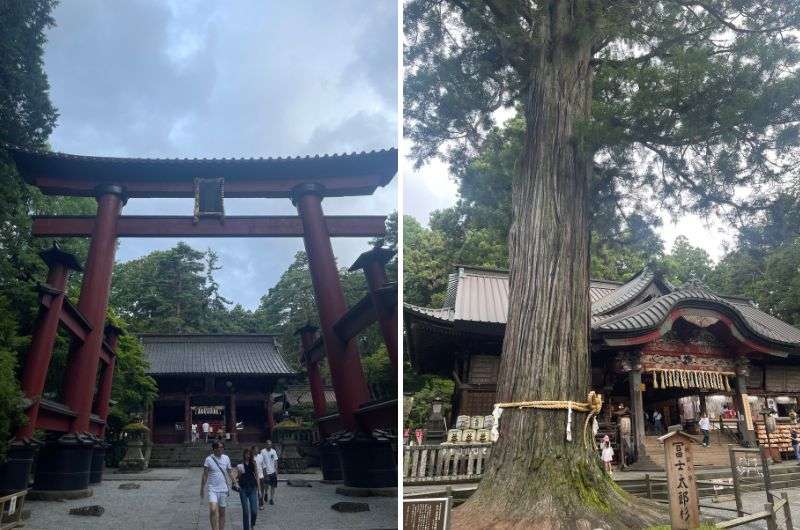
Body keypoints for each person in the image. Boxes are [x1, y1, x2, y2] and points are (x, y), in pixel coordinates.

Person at [201, 441, 235, 530]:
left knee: (222, 512)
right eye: (219, 447)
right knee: (213, 509)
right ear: (214, 449)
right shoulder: (208, 459)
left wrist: (235, 482)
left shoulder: (226, 458)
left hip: (223, 489)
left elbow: (230, 471)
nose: (221, 449)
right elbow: (205, 474)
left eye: (222, 447)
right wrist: (202, 488)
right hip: (212, 489)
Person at [234, 448, 261, 530]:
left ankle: (252, 524)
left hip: (252, 488)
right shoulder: (240, 464)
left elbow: (257, 476)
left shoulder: (253, 463)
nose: (248, 456)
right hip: (243, 489)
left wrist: (259, 490)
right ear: (244, 455)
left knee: (254, 511)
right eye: (246, 454)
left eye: (249, 454)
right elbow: (237, 477)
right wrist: (239, 473)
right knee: (245, 511)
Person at [259, 440, 279, 505]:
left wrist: (276, 470)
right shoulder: (262, 451)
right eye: (268, 444)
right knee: (266, 485)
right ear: (266, 445)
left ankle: (272, 499)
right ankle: (266, 493)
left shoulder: (273, 451)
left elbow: (275, 461)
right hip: (266, 471)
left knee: (273, 486)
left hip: (272, 471)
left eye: (270, 444)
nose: (269, 445)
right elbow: (261, 461)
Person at [252, 445, 265, 510]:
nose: (256, 450)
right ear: (253, 450)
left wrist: (265, 474)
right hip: (254, 477)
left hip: (261, 476)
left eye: (257, 449)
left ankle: (261, 504)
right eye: (255, 449)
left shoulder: (261, 456)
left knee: (261, 491)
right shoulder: (251, 458)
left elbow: (263, 466)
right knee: (254, 491)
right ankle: (254, 503)